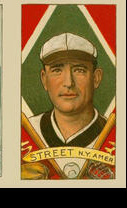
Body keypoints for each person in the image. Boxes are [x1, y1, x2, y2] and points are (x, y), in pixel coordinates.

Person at [25, 32, 112, 179]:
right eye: (57, 70)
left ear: (96, 78)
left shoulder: (114, 133)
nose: (68, 82)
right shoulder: (26, 130)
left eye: (79, 70)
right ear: (44, 79)